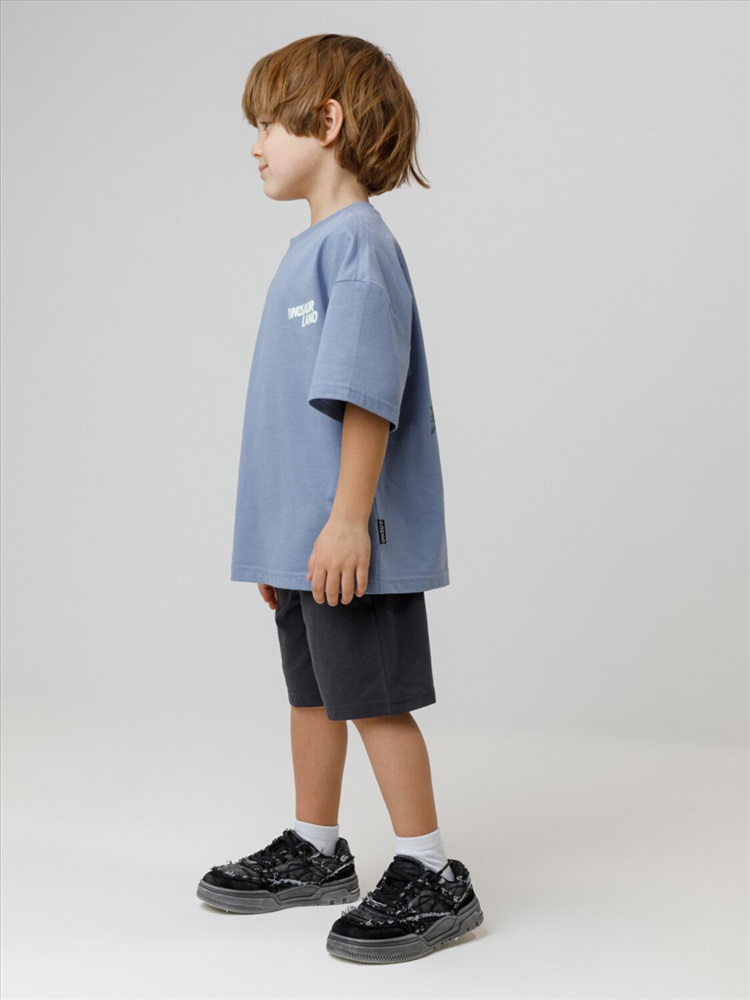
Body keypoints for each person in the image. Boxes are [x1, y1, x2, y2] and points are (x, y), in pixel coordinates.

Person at [196, 33, 483, 964]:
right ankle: (315, 849)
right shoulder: (312, 249)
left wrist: (350, 521)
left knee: (373, 698)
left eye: (267, 126)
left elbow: (366, 394)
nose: (254, 147)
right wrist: (288, 543)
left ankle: (432, 871)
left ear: (325, 122)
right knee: (315, 694)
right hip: (309, 541)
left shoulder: (357, 245)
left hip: (350, 537)